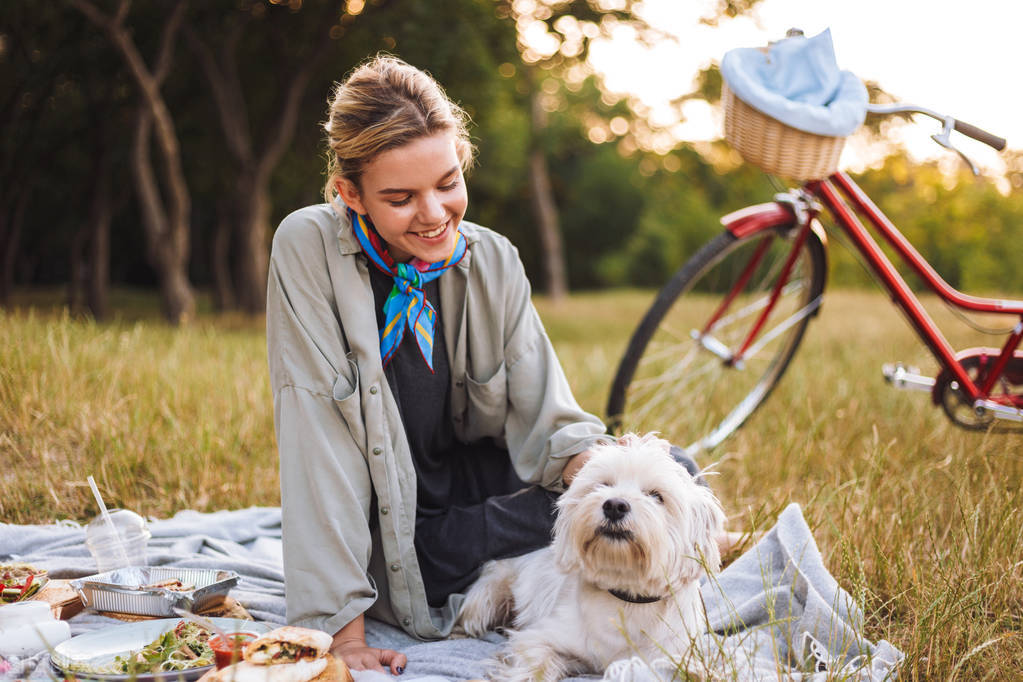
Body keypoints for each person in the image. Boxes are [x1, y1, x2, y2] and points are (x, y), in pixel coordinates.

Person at [265, 55, 609, 674]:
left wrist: (614, 491)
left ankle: (637, 547)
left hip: (480, 497)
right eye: (400, 197)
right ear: (350, 193)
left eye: (447, 183)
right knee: (481, 541)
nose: (433, 214)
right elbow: (316, 439)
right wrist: (343, 639)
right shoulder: (306, 249)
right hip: (404, 541)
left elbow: (548, 419)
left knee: (662, 473)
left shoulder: (494, 259)